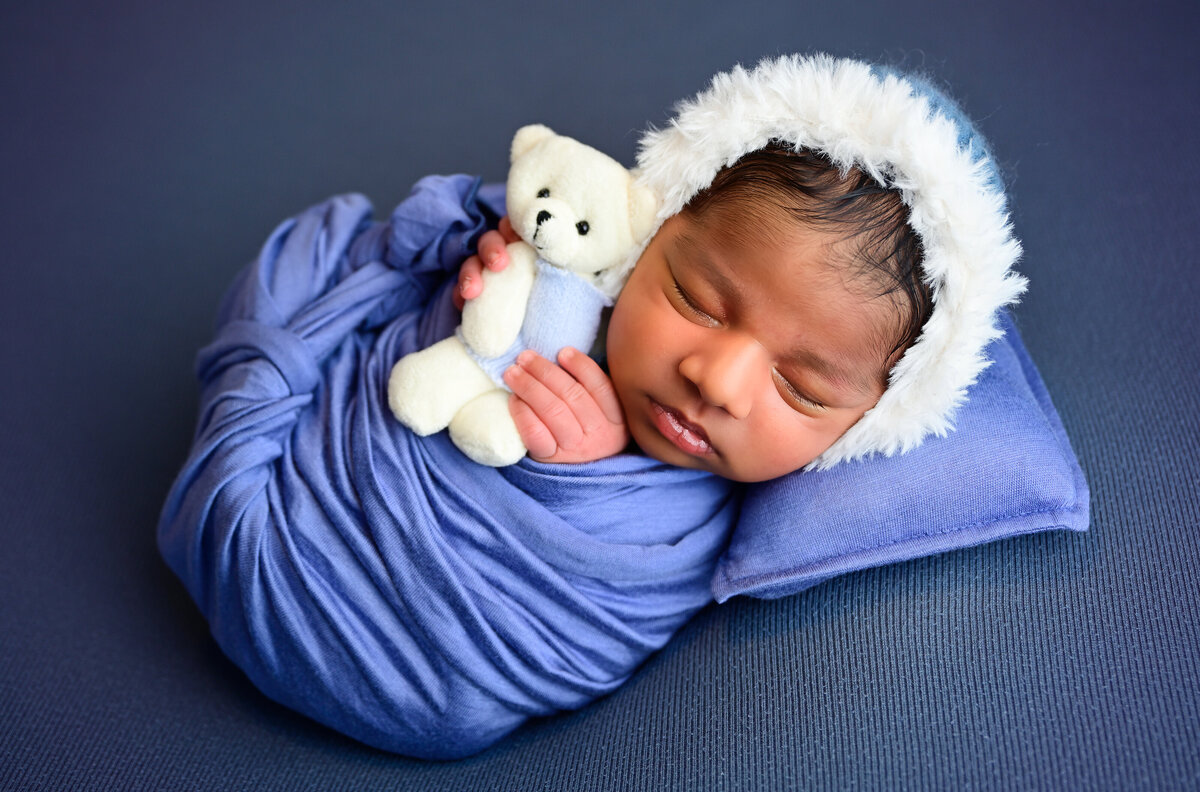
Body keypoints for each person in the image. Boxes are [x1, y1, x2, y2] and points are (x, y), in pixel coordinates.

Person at [455, 57, 1024, 482]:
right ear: (651, 232)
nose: (717, 383)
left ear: (879, 417)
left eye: (802, 390)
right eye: (696, 301)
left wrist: (596, 471)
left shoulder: (724, 522)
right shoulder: (577, 258)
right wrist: (489, 273)